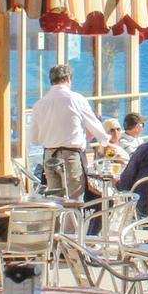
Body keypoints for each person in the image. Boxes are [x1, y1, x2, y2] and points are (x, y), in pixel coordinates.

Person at [28, 63, 109, 202]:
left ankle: (58, 217)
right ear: (68, 79)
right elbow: (94, 125)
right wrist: (105, 141)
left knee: (55, 200)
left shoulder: (40, 104)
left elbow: (34, 138)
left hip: (49, 155)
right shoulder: (76, 99)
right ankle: (73, 218)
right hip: (71, 155)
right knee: (74, 201)